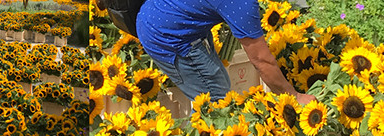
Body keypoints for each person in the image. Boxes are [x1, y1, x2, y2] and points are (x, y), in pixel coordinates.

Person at [135, 0, 316, 104]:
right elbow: (262, 61)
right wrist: (296, 96)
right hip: (168, 37)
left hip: (158, 15)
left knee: (217, 86)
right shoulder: (240, 4)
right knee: (215, 102)